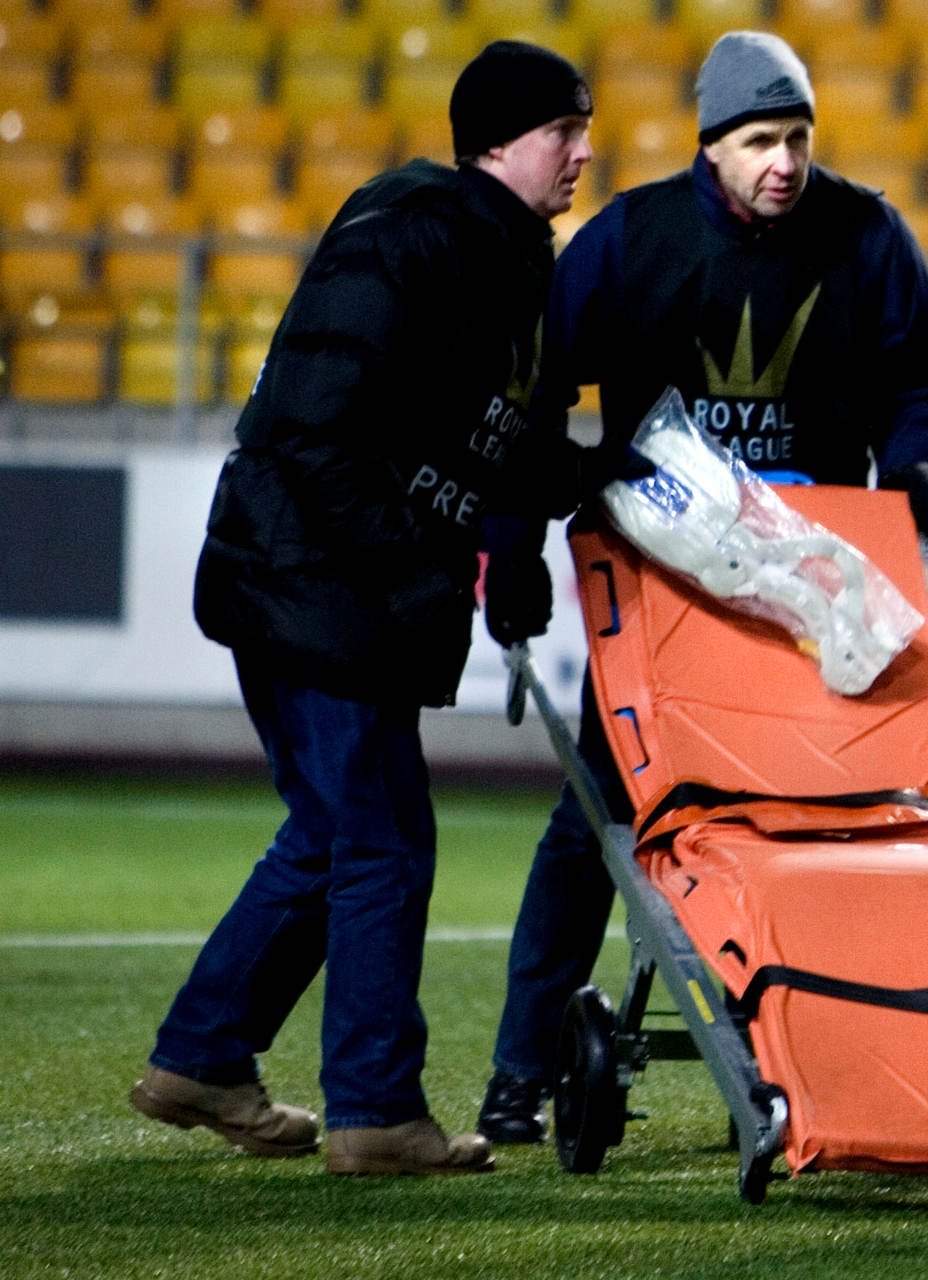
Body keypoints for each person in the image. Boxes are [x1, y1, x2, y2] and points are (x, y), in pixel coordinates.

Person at [474, 29, 928, 1144]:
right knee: (597, 820)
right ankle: (517, 1065)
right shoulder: (632, 237)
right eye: (759, 140)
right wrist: (511, 545)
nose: (784, 160)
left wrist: (923, 466)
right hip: (662, 595)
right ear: (713, 145)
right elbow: (537, 389)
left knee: (824, 825)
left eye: (797, 137)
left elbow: (922, 377)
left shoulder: (866, 230)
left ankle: (837, 1051)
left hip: (812, 592)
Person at [129, 40, 613, 1176]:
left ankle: (204, 1052)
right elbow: (311, 428)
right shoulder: (413, 231)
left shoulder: (501, 256)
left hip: (323, 583)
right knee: (384, 834)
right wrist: (413, 573)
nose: (584, 152)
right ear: (498, 140)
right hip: (316, 586)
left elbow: (484, 436)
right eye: (564, 130)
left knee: (337, 831)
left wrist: (584, 483)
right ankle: (376, 1110)